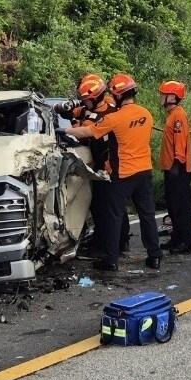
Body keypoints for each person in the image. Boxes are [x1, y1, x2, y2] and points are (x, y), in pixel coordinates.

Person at [63, 73, 160, 272]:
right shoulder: (146, 114)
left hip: (123, 174)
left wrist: (63, 131)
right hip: (144, 171)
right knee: (147, 215)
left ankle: (111, 260)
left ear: (117, 95)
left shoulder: (115, 119)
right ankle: (154, 256)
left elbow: (87, 132)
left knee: (113, 216)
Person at [58, 74, 130, 258]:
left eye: (86, 100)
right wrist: (66, 109)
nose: (84, 103)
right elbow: (78, 112)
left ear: (95, 98)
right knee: (112, 207)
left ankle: (111, 244)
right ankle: (117, 241)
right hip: (107, 162)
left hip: (107, 165)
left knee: (105, 207)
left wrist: (68, 127)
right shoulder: (105, 105)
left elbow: (83, 132)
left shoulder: (101, 115)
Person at [157, 80, 191, 254]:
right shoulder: (171, 114)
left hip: (177, 169)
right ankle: (176, 238)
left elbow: (179, 144)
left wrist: (176, 165)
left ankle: (186, 242)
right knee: (173, 206)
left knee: (181, 207)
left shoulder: (178, 115)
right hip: (171, 168)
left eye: (162, 94)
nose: (160, 97)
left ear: (171, 96)